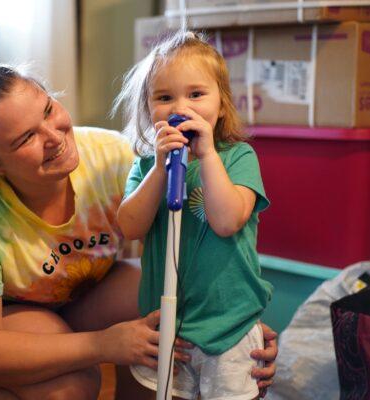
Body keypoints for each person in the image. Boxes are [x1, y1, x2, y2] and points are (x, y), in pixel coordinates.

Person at [0, 62, 277, 399]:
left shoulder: (110, 156)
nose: (54, 137)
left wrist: (235, 328)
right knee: (74, 385)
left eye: (49, 110)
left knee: (164, 317)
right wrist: (104, 344)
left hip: (68, 295)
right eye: (26, 139)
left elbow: (197, 251)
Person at [115, 30, 274, 400]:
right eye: (164, 97)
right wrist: (158, 170)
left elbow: (227, 221)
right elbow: (130, 227)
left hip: (230, 325)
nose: (180, 107)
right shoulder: (144, 167)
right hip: (168, 323)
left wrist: (207, 157)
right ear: (148, 108)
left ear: (221, 106)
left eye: (196, 94)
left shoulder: (238, 159)